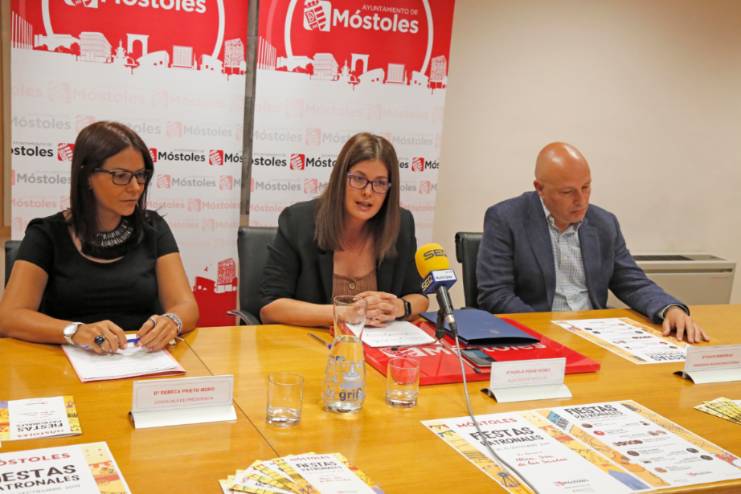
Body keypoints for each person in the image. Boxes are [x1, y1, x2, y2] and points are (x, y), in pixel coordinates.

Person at [476, 142, 708, 343]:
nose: (581, 200)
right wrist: (546, 329)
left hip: (595, 334)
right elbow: (496, 294)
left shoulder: (604, 222)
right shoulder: (506, 219)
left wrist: (670, 308)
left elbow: (632, 282)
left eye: (586, 187)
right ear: (540, 189)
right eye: (567, 192)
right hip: (537, 334)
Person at [0, 121, 199, 353]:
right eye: (121, 176)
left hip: (140, 357)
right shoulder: (46, 234)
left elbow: (186, 306)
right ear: (87, 176)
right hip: (65, 361)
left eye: (140, 175)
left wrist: (172, 321)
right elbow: (9, 317)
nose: (136, 188)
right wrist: (75, 332)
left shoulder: (154, 228)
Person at [259, 132, 429, 327]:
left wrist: (400, 307)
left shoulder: (400, 224)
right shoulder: (298, 222)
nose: (367, 192)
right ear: (341, 178)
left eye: (380, 183)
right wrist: (342, 313)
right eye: (358, 179)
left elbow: (419, 297)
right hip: (311, 342)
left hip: (377, 344)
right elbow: (270, 308)